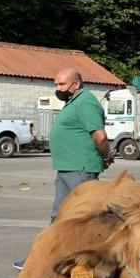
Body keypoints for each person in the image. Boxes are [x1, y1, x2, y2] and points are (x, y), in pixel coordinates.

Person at [48, 67, 112, 220]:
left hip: (80, 168)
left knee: (85, 216)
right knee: (60, 215)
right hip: (67, 167)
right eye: (56, 85)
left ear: (75, 85)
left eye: (62, 84)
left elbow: (100, 136)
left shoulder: (86, 102)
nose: (58, 89)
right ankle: (56, 243)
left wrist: (105, 155)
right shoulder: (74, 101)